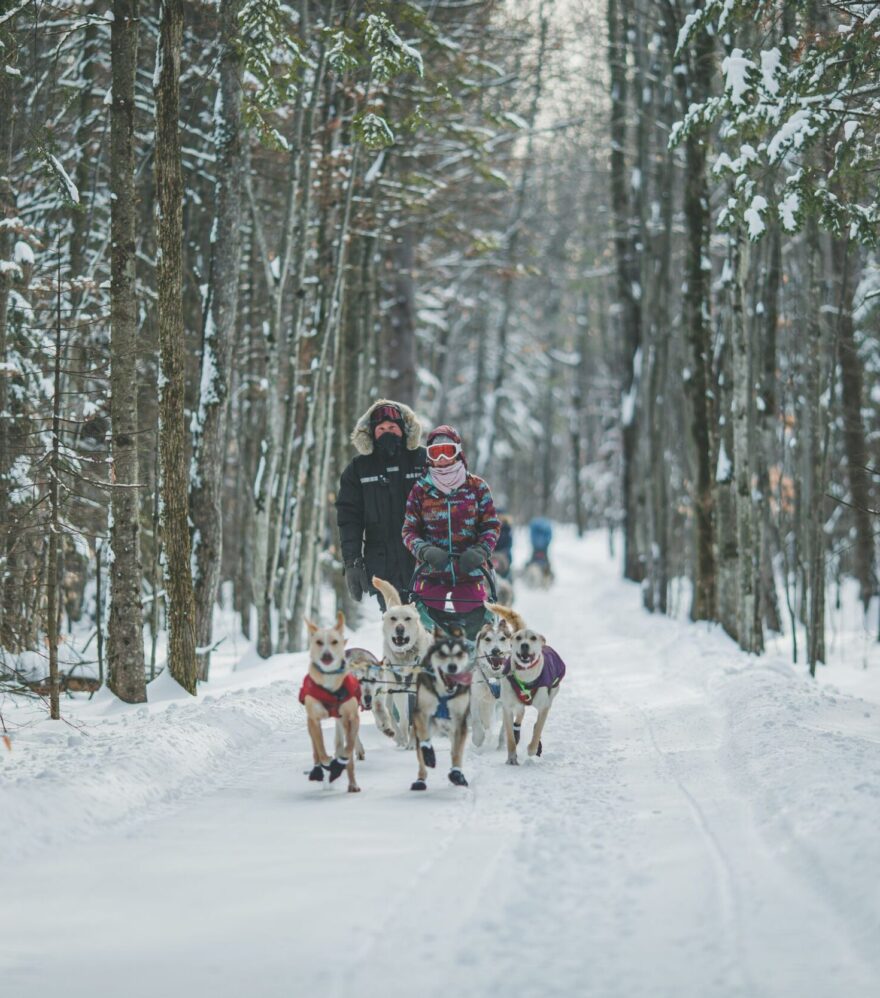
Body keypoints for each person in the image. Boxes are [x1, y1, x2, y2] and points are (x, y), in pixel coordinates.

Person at [402, 425, 501, 638]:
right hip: (431, 576)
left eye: (448, 451)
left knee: (475, 636)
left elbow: (491, 526)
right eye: (435, 453)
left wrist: (480, 551)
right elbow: (409, 530)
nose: (442, 458)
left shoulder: (476, 487)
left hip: (471, 575)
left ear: (458, 452)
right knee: (428, 636)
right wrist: (425, 551)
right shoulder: (420, 490)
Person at [336, 400, 426, 609]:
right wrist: (352, 562)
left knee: (426, 631)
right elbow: (349, 519)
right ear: (372, 433)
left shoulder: (423, 460)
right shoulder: (358, 469)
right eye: (382, 428)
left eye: (393, 427)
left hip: (422, 563)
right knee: (398, 631)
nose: (387, 432)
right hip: (383, 566)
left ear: (403, 430)